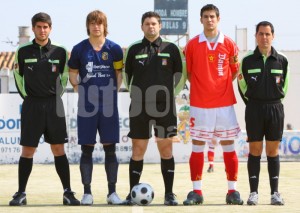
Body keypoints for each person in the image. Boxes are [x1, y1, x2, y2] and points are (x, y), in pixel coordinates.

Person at [10, 12, 80, 206]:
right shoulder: (22, 51)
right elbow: (18, 77)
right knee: (28, 150)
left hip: (54, 105)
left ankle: (68, 192)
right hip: (32, 104)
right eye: (39, 27)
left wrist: (55, 97)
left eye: (46, 27)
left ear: (50, 29)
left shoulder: (60, 51)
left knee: (58, 148)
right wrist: (29, 98)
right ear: (33, 28)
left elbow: (64, 78)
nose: (42, 30)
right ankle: (21, 193)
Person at [121, 11, 186, 206]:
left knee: (166, 150)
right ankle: (132, 194)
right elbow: (127, 76)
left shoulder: (172, 48)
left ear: (160, 26)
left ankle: (169, 194)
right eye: (147, 23)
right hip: (139, 107)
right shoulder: (133, 49)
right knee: (137, 151)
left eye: (154, 24)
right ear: (142, 26)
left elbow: (180, 75)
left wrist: (168, 94)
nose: (151, 26)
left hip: (164, 107)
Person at [183, 4, 243, 205]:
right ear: (200, 20)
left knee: (228, 145)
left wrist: (220, 86)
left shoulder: (230, 43)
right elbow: (189, 73)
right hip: (200, 104)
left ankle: (232, 191)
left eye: (212, 16)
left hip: (224, 104)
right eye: (206, 17)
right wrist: (204, 88)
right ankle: (197, 192)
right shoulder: (192, 45)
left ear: (218, 19)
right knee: (198, 145)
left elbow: (235, 70)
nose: (209, 20)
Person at [68, 10, 123, 205]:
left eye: (99, 23)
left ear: (104, 25)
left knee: (110, 148)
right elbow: (72, 72)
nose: (96, 26)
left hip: (108, 106)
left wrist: (113, 92)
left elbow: (118, 72)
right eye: (92, 23)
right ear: (88, 26)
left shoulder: (115, 48)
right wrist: (77, 88)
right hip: (87, 106)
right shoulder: (79, 49)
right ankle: (87, 193)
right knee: (87, 149)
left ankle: (112, 193)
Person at [238, 21, 289, 206]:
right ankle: (253, 193)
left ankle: (275, 193)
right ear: (256, 36)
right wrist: (252, 104)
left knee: (273, 151)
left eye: (267, 34)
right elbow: (242, 86)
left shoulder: (282, 60)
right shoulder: (247, 60)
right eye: (260, 34)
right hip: (254, 109)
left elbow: (285, 86)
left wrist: (274, 103)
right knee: (255, 151)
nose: (264, 37)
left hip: (275, 109)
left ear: (273, 36)